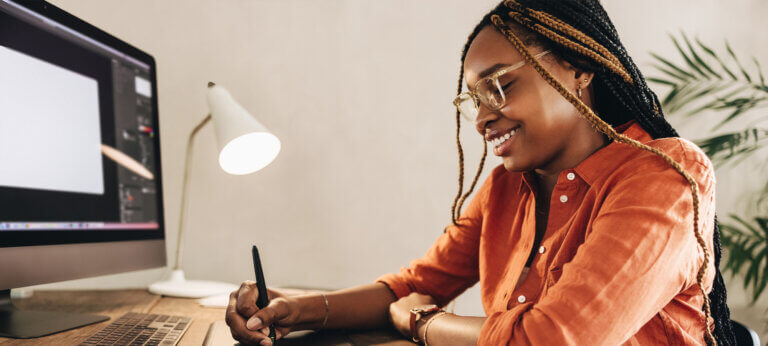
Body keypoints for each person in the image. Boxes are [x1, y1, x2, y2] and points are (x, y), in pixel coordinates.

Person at [226, 0, 737, 344]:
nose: (481, 116)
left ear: (579, 67)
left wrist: (424, 323)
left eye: (499, 86)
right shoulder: (507, 188)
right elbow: (408, 286)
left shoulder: (663, 176)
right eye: (473, 98)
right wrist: (291, 311)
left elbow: (551, 338)